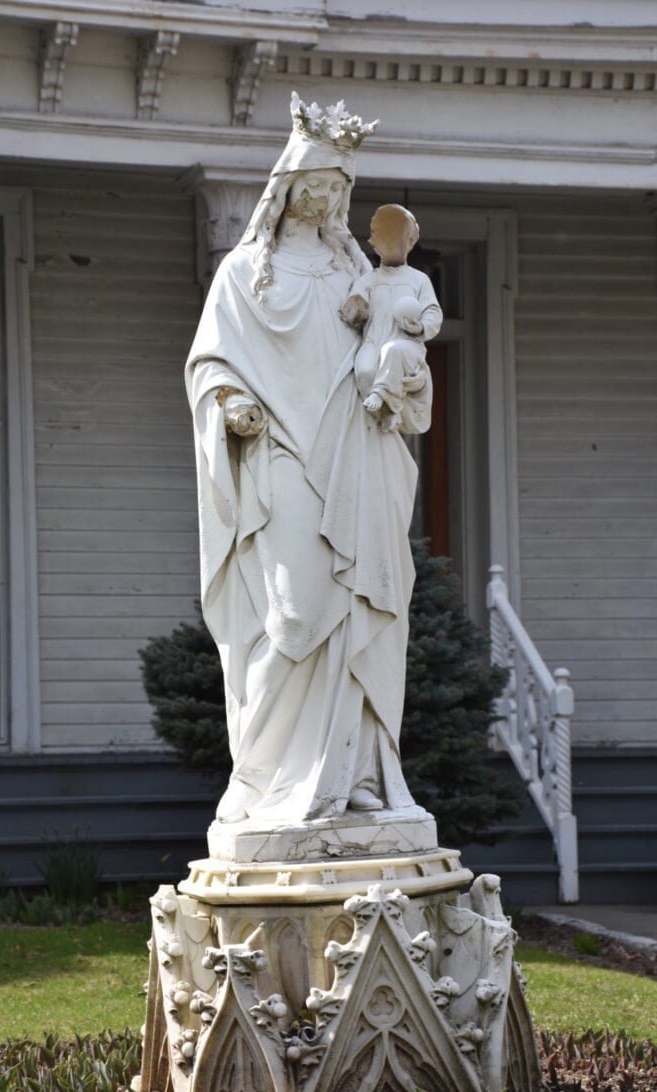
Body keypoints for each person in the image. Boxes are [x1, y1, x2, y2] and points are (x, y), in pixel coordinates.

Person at [185, 94, 434, 826]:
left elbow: (399, 344)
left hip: (357, 452)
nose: (323, 199)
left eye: (335, 188)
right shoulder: (244, 274)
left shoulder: (359, 270)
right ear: (286, 184)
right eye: (313, 184)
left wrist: (405, 370)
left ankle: (354, 776)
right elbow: (210, 363)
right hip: (282, 456)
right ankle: (264, 781)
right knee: (294, 612)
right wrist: (231, 402)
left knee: (360, 606)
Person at [342, 203, 442, 432]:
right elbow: (354, 307)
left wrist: (419, 327)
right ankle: (386, 412)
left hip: (406, 344)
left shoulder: (418, 280)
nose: (392, 243)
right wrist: (356, 307)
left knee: (393, 351)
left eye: (398, 237)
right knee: (365, 371)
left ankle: (384, 398)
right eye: (385, 237)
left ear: (410, 242)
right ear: (375, 243)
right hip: (373, 341)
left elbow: (433, 313)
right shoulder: (370, 280)